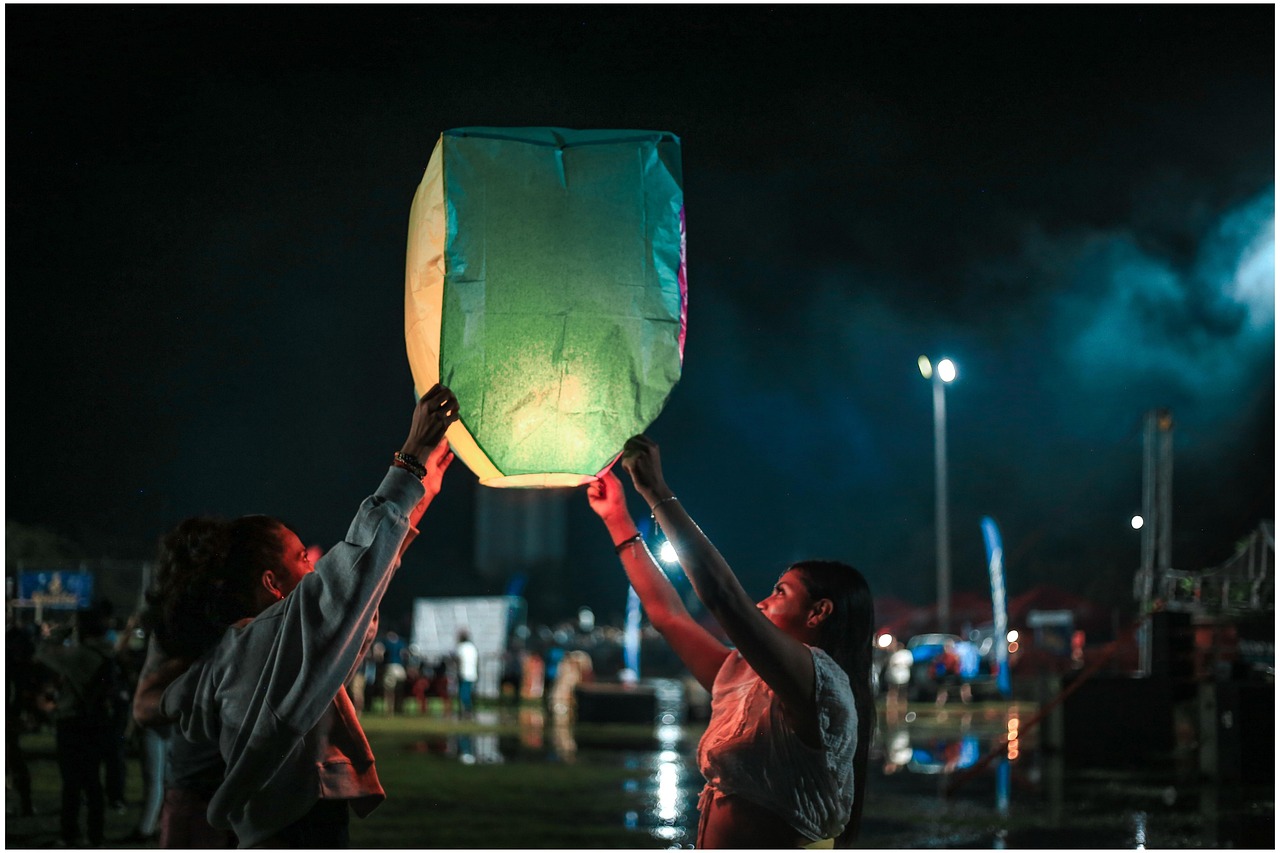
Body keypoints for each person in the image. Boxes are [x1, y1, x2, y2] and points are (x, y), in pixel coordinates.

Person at [136, 383, 458, 848]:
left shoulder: (234, 656)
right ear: (271, 583)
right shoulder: (267, 643)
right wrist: (410, 458)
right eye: (300, 559)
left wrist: (417, 497)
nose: (313, 563)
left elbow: (358, 596)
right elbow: (352, 579)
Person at [587, 435, 875, 848]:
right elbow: (669, 616)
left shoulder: (820, 684)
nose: (761, 602)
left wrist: (657, 492)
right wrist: (617, 518)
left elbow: (724, 598)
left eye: (780, 592)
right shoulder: (746, 679)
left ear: (819, 612)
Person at [34, 603, 125, 848]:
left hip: (71, 722)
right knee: (93, 781)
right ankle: (95, 833)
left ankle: (69, 833)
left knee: (71, 784)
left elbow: (42, 651)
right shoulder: (108, 655)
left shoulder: (75, 656)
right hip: (97, 723)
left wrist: (63, 629)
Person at [455, 629, 478, 718]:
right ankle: (467, 710)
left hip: (464, 673)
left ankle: (467, 710)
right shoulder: (472, 647)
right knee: (468, 692)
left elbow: (459, 660)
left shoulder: (461, 647)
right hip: (472, 673)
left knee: (464, 693)